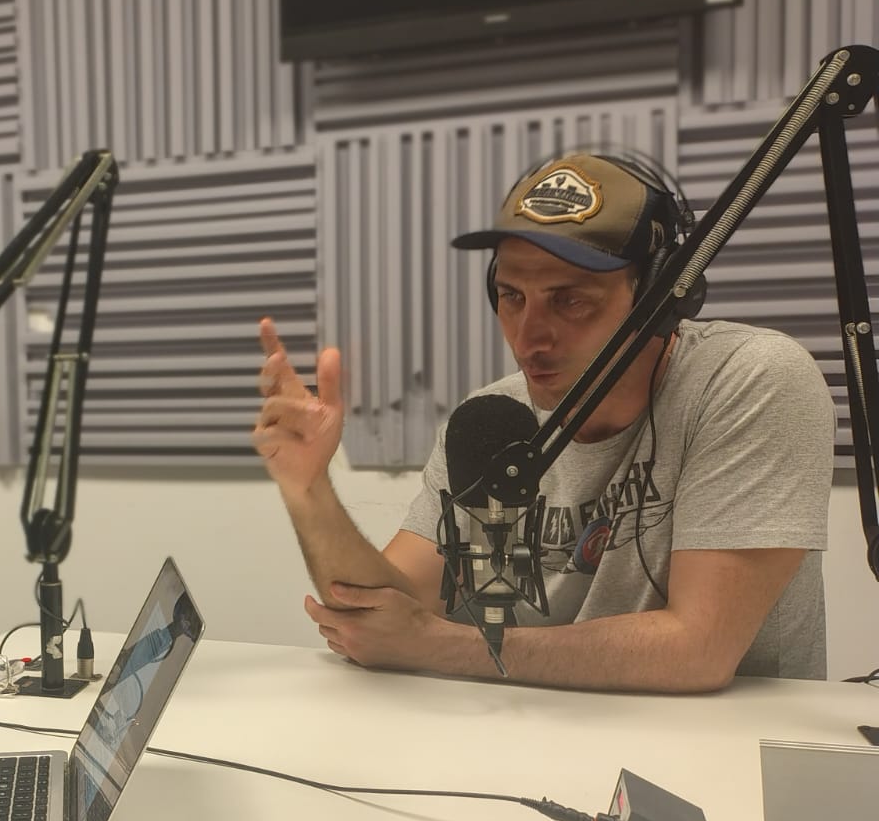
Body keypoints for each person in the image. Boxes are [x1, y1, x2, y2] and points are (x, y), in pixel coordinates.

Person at [253, 151, 832, 692]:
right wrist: (308, 487)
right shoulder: (492, 417)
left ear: (658, 299)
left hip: (725, 745)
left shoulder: (749, 381)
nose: (529, 337)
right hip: (535, 729)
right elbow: (386, 612)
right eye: (511, 296)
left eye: (570, 300)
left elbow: (698, 650)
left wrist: (443, 647)